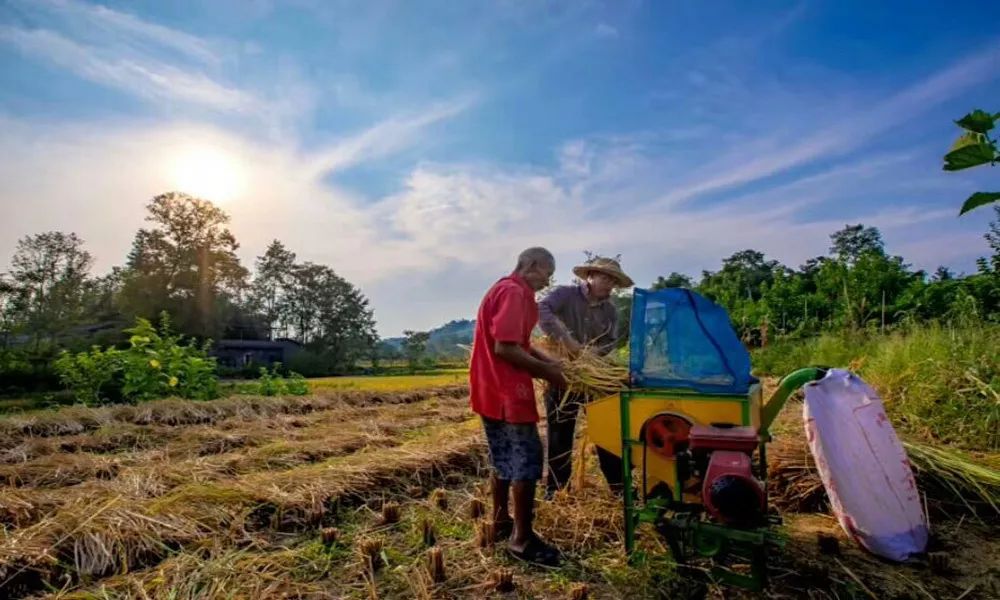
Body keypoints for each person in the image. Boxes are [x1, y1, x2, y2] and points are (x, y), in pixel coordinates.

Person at [469, 247, 568, 566]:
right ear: (532, 266)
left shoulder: (502, 288)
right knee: (526, 461)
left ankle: (500, 521)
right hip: (508, 390)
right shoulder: (516, 292)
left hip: (489, 390)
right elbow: (506, 349)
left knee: (503, 458)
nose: (546, 282)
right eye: (546, 274)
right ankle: (523, 540)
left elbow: (521, 343)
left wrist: (551, 362)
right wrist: (552, 374)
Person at [538, 256, 634, 499]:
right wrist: (566, 341)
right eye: (604, 277)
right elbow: (540, 308)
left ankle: (619, 489)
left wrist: (592, 355)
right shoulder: (565, 295)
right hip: (562, 376)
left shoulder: (610, 310)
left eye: (612, 280)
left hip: (594, 378)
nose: (608, 284)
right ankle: (556, 491)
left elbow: (608, 343)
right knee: (560, 435)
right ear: (589, 276)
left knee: (607, 432)